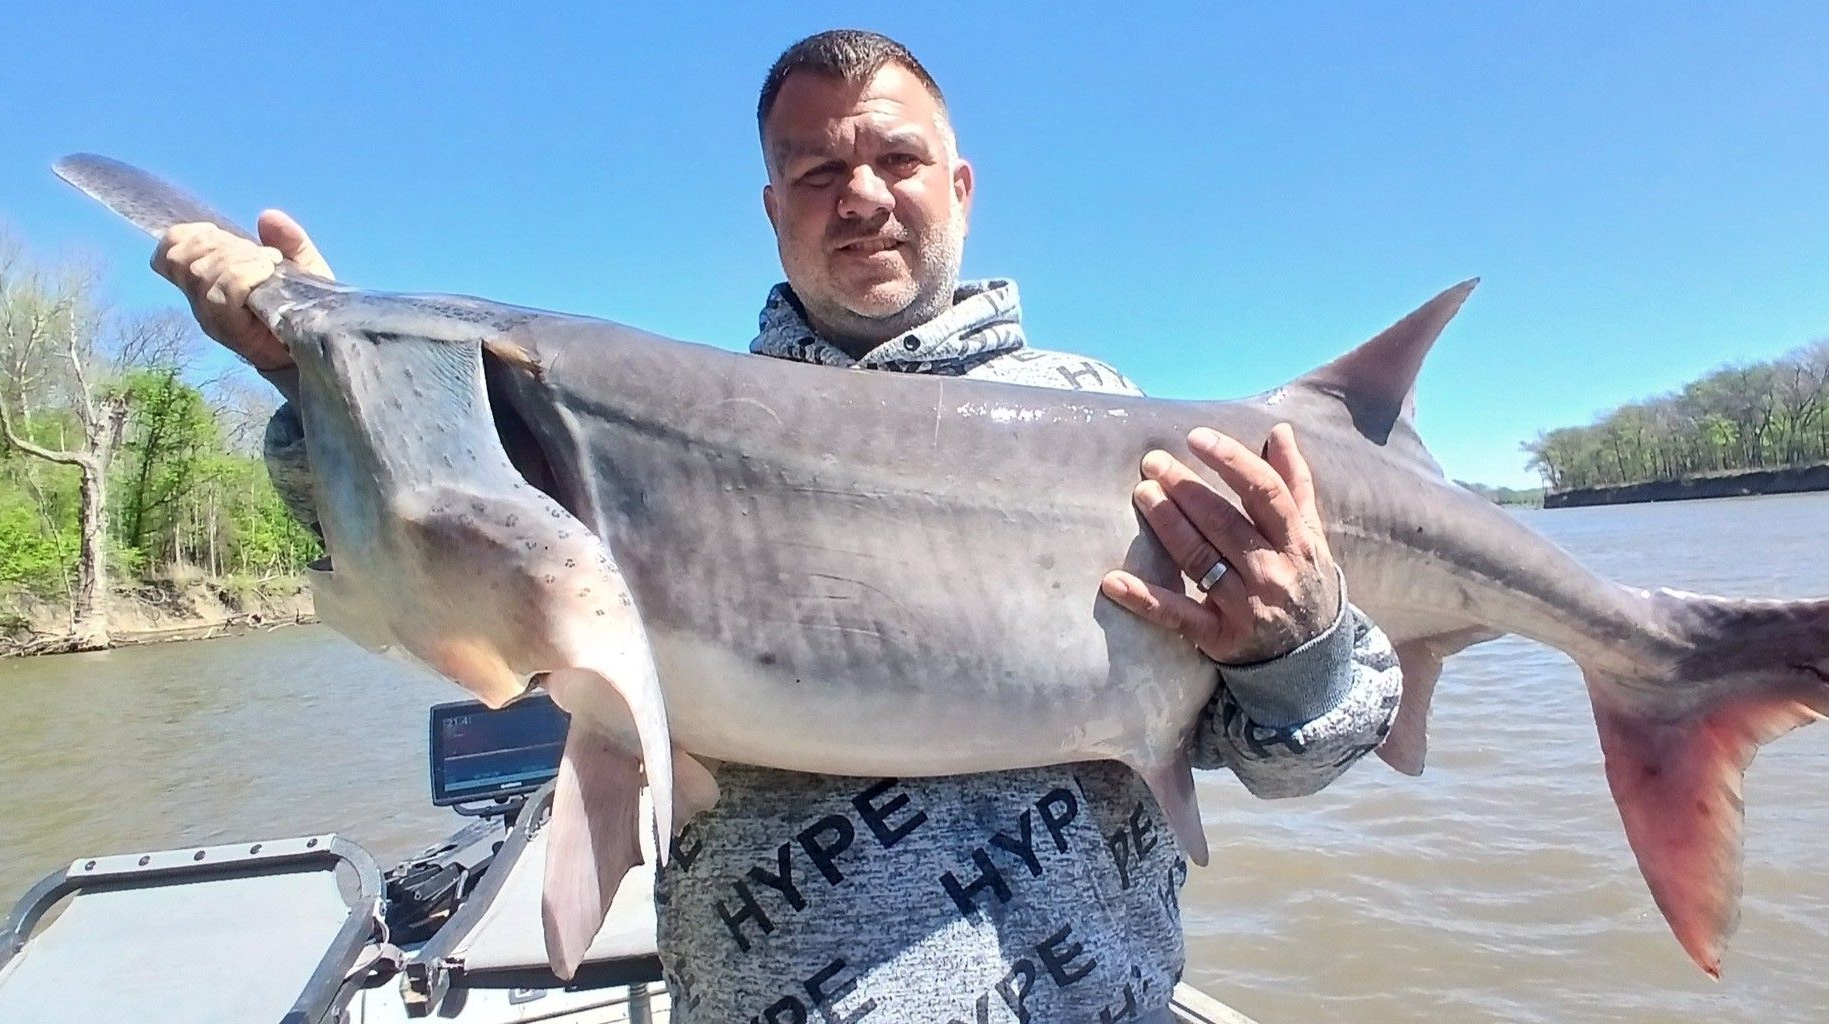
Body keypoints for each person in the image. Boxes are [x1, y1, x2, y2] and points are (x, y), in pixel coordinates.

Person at [151, 29, 1402, 1024]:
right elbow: (429, 551)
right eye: (817, 169)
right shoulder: (628, 426)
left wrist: (1297, 646)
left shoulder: (1130, 427)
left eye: (895, 161)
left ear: (957, 186)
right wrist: (325, 385)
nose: (860, 195)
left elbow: (1301, 753)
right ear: (772, 206)